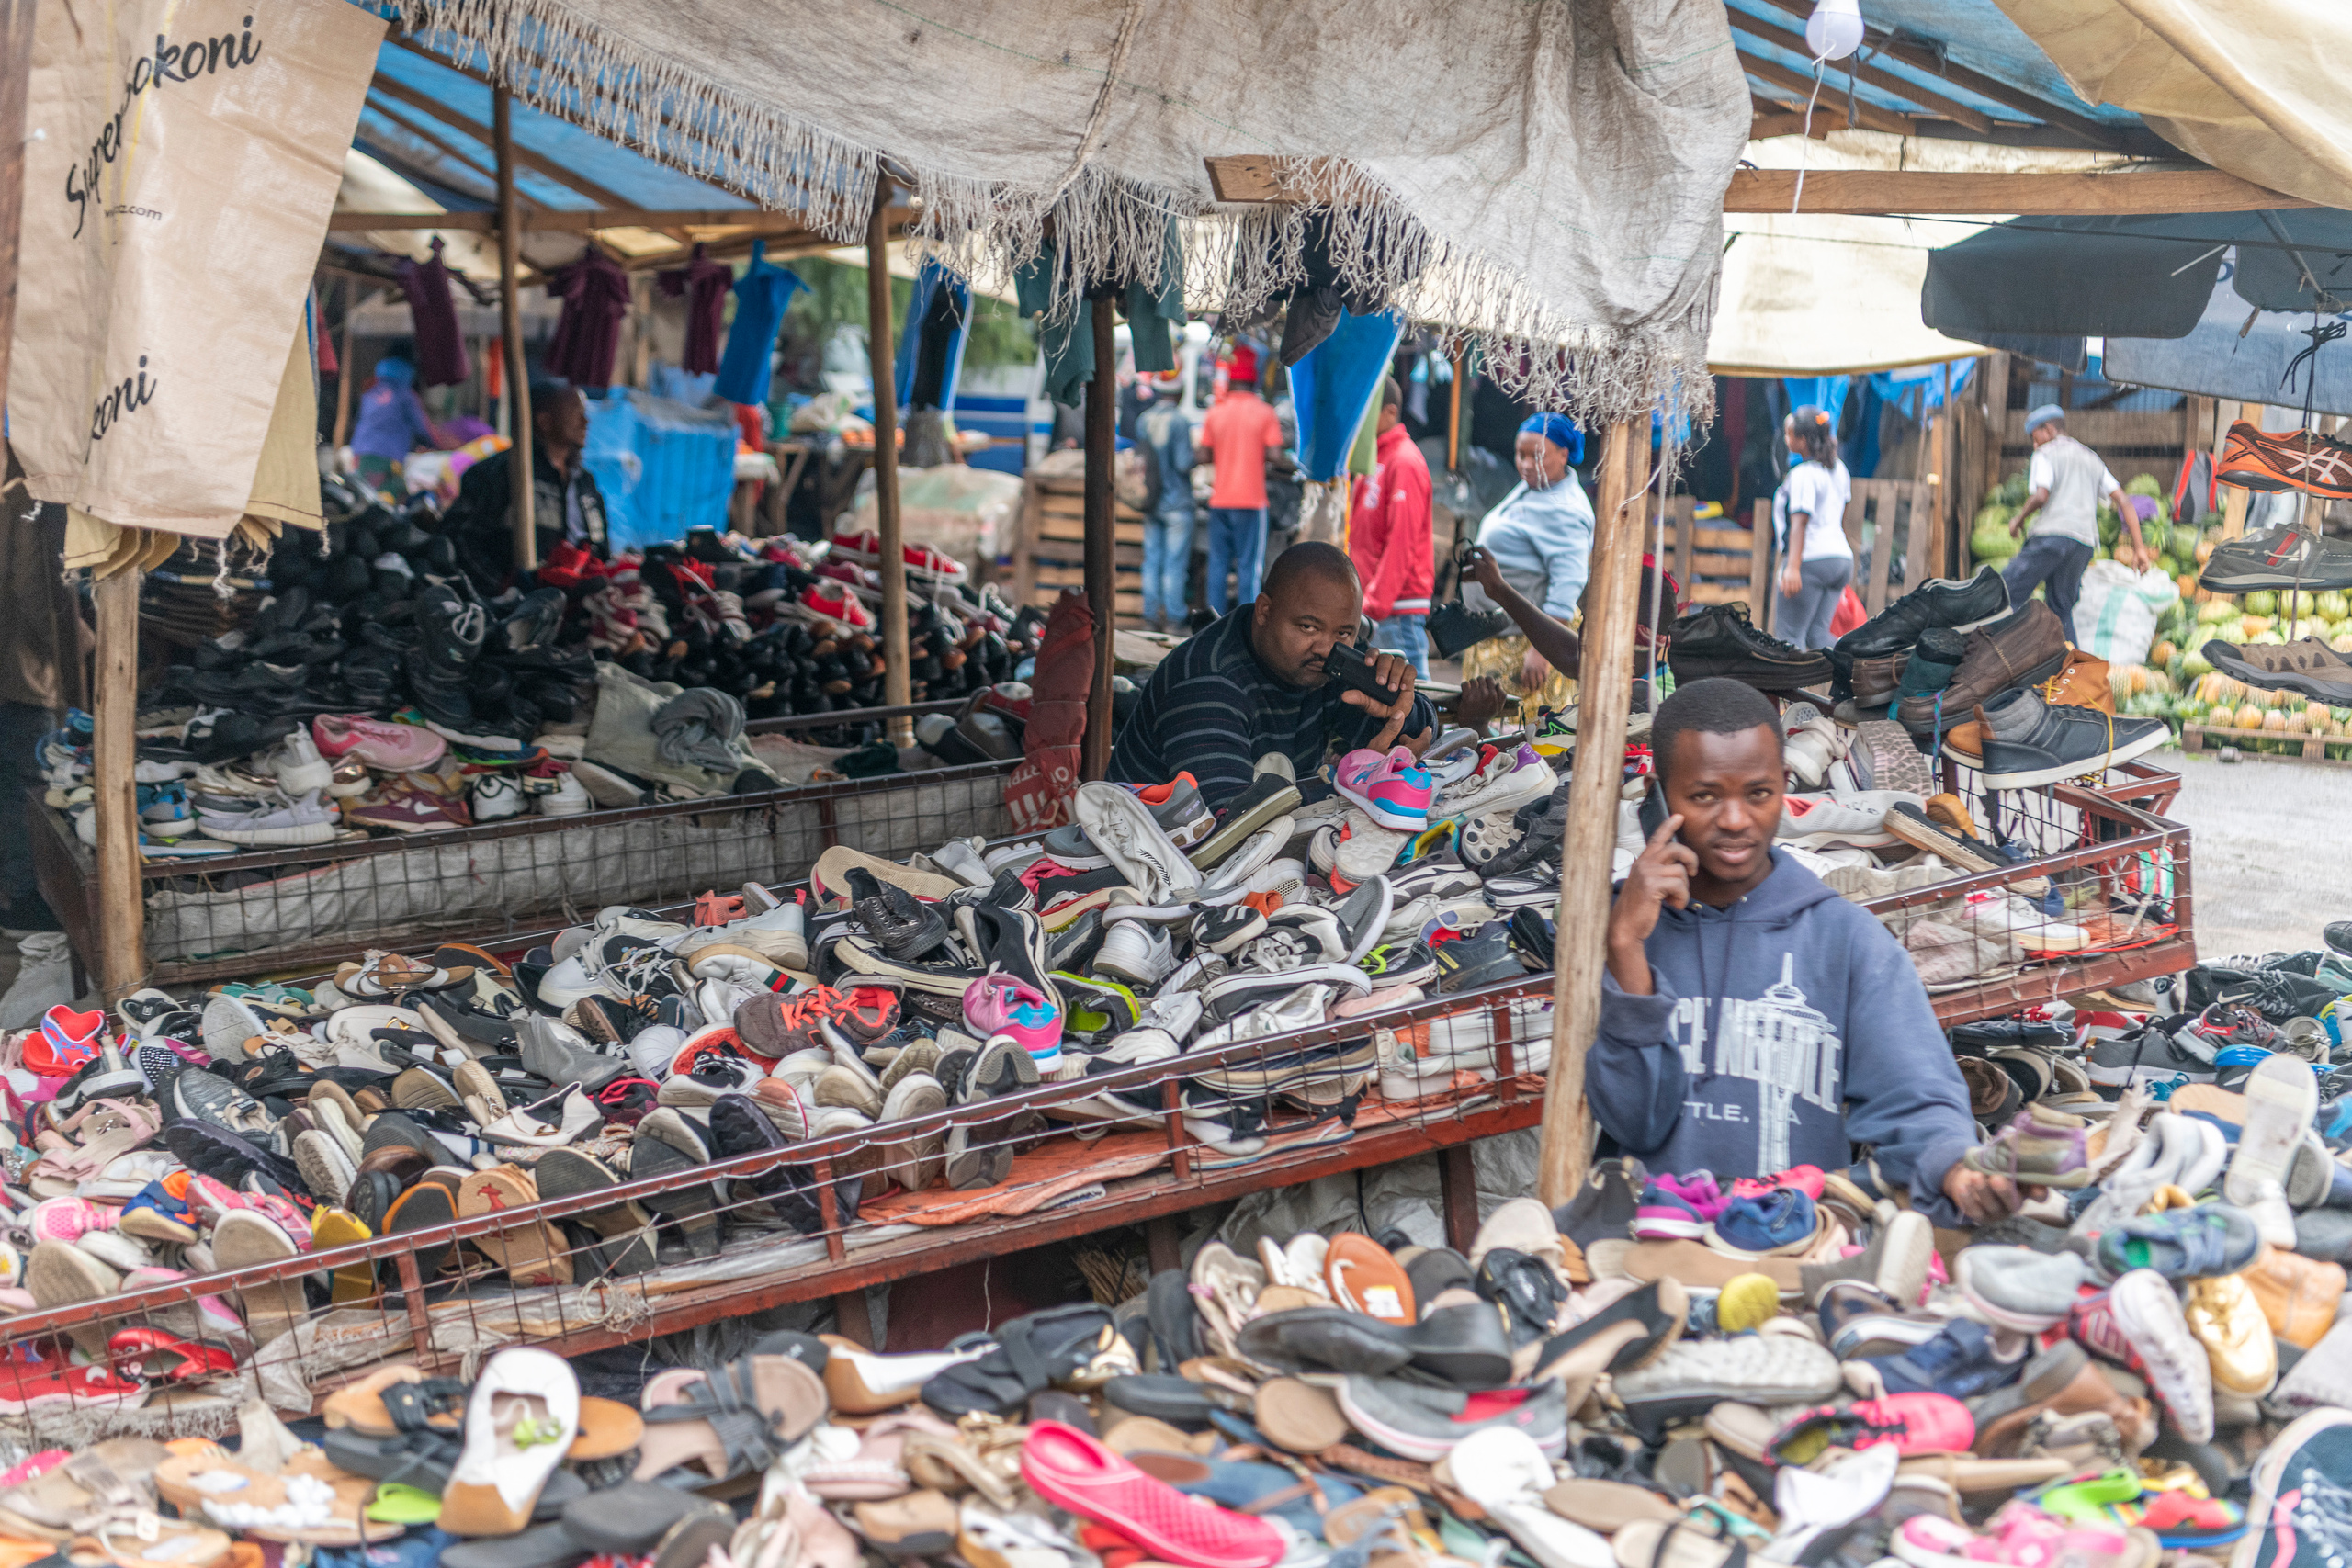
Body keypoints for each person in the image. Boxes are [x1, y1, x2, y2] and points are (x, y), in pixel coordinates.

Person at [1589, 678, 2015, 1226]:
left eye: (1758, 793)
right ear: (1658, 794)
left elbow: (1915, 1094)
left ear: (1785, 786)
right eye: (1704, 796)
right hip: (1647, 1247)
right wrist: (1625, 950)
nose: (1736, 819)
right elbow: (1634, 1121)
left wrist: (1957, 1169)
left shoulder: (1846, 939)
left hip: (1790, 1248)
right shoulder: (1618, 929)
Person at [1109, 541, 1434, 809]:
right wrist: (1357, 781)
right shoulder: (1208, 681)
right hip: (1137, 862)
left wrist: (1401, 708)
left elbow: (1426, 732)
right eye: (1308, 626)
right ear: (1265, 611)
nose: (1326, 647)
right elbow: (1232, 819)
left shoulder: (1326, 661)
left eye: (1345, 633)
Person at [1464, 414, 1595, 706]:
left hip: (1524, 645)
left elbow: (1568, 581)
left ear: (1564, 455)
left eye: (1535, 457)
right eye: (1520, 455)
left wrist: (1542, 652)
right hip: (1502, 635)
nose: (1524, 465)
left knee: (1521, 738)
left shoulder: (1566, 509)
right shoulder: (1537, 488)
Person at [1464, 546, 1679, 710]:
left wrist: (1479, 727)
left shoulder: (1643, 707)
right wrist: (1498, 589)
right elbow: (1569, 655)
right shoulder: (1638, 674)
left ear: (1621, 642)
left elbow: (1572, 657)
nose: (1581, 632)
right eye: (1584, 619)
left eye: (1592, 624)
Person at [447, 381, 610, 592]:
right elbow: (459, 537)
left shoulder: (585, 483)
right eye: (575, 413)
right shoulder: (503, 472)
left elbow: (602, 550)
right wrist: (502, 589)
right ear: (545, 421)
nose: (585, 422)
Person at [2007, 404, 2146, 638]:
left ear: (2049, 430)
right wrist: (2139, 548)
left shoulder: (2045, 453)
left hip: (2051, 537)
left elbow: (2041, 495)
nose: (2035, 444)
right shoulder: (2092, 458)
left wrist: (2018, 520)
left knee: (2007, 593)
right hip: (2083, 544)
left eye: (2035, 437)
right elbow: (2123, 500)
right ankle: (2075, 672)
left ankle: (1996, 662)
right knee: (2060, 610)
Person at [1348, 378, 1434, 678]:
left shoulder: (1404, 461)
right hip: (1374, 608)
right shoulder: (1372, 456)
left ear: (1389, 412)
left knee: (1415, 703)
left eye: (1366, 410)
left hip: (1394, 611)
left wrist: (1374, 605)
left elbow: (1402, 540)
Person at [1196, 346, 1286, 615]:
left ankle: (1213, 623)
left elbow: (1202, 454)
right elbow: (1274, 454)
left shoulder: (1216, 411)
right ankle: (1246, 627)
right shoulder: (1264, 412)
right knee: (1249, 567)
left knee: (1218, 565)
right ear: (1254, 378)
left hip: (1220, 500)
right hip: (1251, 501)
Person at [1772, 405, 1855, 650]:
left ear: (1803, 440)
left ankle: (1790, 690)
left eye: (1790, 435)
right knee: (1817, 637)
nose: (1786, 440)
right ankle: (1857, 664)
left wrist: (1793, 567)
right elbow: (1843, 512)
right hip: (1841, 559)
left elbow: (1800, 522)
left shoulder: (1803, 475)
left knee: (1789, 637)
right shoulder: (1839, 470)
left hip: (1810, 561)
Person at [1133, 372, 1195, 632]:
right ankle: (1173, 616)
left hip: (1151, 500)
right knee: (1174, 563)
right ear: (1180, 394)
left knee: (1152, 560)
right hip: (1177, 503)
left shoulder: (1143, 420)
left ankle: (1149, 614)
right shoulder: (1179, 422)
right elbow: (1182, 462)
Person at [347, 356, 441, 497]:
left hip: (361, 453)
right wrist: (438, 445)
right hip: (387, 456)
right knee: (388, 496)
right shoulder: (405, 396)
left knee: (365, 495)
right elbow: (422, 428)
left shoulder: (370, 394)